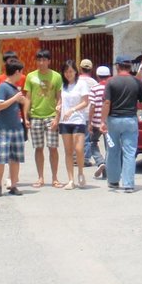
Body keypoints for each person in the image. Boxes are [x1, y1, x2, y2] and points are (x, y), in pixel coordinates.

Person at [101, 58, 142, 193]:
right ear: (129, 67)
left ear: (117, 66)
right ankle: (128, 184)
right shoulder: (137, 82)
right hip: (130, 120)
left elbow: (107, 103)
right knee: (129, 153)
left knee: (113, 151)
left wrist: (103, 121)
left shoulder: (111, 82)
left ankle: (113, 181)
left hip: (114, 120)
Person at [22, 49, 63, 188]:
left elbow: (59, 98)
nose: (41, 63)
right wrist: (25, 116)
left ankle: (55, 178)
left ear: (49, 61)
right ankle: (40, 177)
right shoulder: (31, 76)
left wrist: (58, 117)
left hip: (51, 116)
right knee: (38, 148)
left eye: (44, 60)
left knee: (53, 147)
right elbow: (27, 98)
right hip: (35, 117)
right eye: (39, 60)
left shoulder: (56, 76)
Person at [0, 58, 27, 197]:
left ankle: (13, 185)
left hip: (16, 127)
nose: (21, 76)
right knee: (1, 157)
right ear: (17, 72)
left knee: (15, 158)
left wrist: (21, 100)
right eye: (21, 72)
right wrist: (15, 99)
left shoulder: (15, 88)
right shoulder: (3, 87)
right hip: (4, 128)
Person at [58, 59, 90, 190]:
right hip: (64, 121)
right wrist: (58, 107)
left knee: (79, 149)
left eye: (70, 71)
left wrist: (72, 109)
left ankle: (81, 172)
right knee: (68, 151)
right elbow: (60, 101)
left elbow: (85, 102)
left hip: (78, 120)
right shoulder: (63, 86)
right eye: (66, 71)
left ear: (76, 71)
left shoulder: (81, 84)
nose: (68, 74)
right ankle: (70, 179)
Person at [88, 65, 111, 179]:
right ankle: (106, 167)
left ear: (97, 76)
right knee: (109, 147)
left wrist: (90, 122)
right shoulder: (112, 87)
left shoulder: (94, 88)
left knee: (92, 143)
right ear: (109, 76)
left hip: (96, 123)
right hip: (108, 123)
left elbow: (92, 106)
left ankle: (100, 162)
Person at [78, 59, 98, 166]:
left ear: (80, 68)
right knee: (86, 137)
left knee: (76, 135)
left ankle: (75, 157)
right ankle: (85, 159)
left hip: (77, 113)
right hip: (88, 113)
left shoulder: (76, 81)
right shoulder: (94, 83)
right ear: (91, 69)